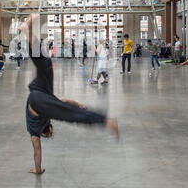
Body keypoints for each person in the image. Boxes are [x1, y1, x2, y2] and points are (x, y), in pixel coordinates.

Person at [20, 14, 119, 175]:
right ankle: (27, 31)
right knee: (44, 63)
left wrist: (37, 170)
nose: (51, 132)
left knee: (71, 114)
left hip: (38, 98)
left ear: (48, 129)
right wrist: (78, 104)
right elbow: (63, 100)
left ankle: (106, 121)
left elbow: (37, 152)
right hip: (40, 91)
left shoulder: (34, 131)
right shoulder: (41, 123)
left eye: (50, 132)